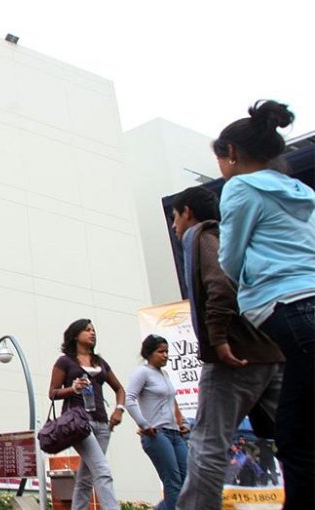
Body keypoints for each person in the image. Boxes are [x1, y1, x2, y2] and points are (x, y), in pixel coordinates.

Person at [214, 99, 315, 510]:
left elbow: (229, 257)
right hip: (306, 308)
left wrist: (243, 291)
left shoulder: (240, 187)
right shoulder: (301, 191)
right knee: (294, 433)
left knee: (300, 434)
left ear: (232, 154)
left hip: (288, 310)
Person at [169, 185, 283, 510]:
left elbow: (220, 283)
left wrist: (217, 339)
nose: (175, 229)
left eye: (175, 219)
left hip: (233, 356)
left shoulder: (200, 234)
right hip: (272, 350)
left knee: (207, 444)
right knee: (298, 437)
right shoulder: (239, 235)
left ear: (187, 212)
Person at [48, 319, 125, 510]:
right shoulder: (65, 361)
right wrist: (72, 389)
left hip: (103, 424)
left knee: (86, 477)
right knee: (102, 470)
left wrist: (119, 409)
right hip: (79, 424)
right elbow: (53, 392)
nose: (92, 333)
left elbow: (119, 389)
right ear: (76, 335)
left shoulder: (100, 362)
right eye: (87, 330)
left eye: (93, 330)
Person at [124, 334, 189, 510]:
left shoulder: (165, 374)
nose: (165, 355)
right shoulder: (142, 372)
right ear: (149, 353)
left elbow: (171, 402)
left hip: (175, 433)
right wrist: (144, 425)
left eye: (167, 351)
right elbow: (129, 400)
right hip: (157, 434)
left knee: (187, 478)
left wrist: (180, 422)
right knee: (173, 480)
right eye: (161, 352)